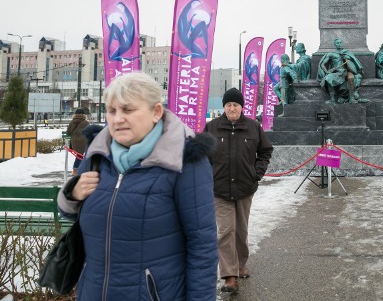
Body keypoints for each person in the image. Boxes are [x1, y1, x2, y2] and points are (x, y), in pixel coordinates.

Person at [56, 72, 218, 300]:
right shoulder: (97, 154)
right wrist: (71, 194)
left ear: (156, 112)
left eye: (128, 110)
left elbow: (202, 245)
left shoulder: (184, 160)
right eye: (112, 111)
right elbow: (71, 213)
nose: (117, 119)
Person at [204, 87, 273, 294]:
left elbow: (265, 151)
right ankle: (229, 276)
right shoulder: (211, 128)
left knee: (241, 232)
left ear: (241, 107)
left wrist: (256, 173)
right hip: (220, 189)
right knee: (225, 231)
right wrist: (209, 176)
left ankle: (241, 264)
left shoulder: (253, 127)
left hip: (245, 187)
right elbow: (202, 155)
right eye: (228, 105)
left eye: (235, 105)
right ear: (223, 107)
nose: (232, 108)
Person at [317, 38, 367, 104]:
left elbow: (355, 63)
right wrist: (327, 72)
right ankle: (332, 99)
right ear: (335, 44)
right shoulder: (331, 54)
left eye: (340, 43)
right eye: (337, 43)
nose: (339, 44)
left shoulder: (348, 53)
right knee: (327, 78)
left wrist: (348, 59)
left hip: (347, 71)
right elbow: (323, 64)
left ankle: (352, 98)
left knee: (351, 78)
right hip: (337, 72)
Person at [66, 108, 90, 176]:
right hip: (83, 141)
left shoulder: (72, 122)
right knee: (81, 155)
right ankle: (76, 169)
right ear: (83, 115)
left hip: (74, 142)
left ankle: (77, 169)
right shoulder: (86, 122)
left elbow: (68, 132)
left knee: (79, 155)